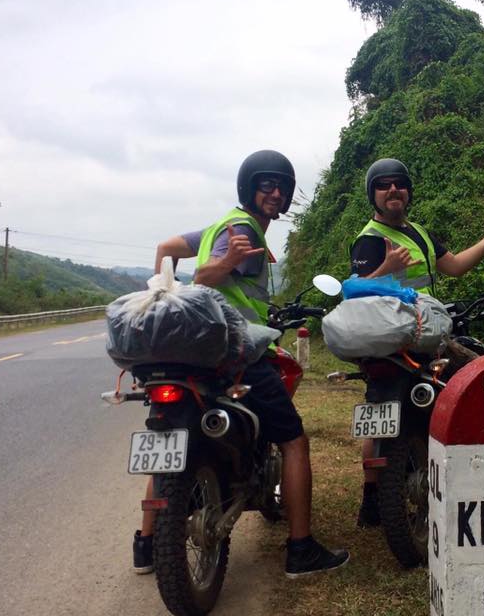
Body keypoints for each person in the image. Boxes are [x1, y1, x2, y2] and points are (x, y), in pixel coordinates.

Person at [133, 150, 349, 578]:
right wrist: (225, 264)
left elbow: (165, 249)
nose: (275, 193)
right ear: (248, 186)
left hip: (198, 352)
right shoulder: (243, 231)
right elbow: (208, 276)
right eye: (266, 184)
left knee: (170, 440)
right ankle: (301, 549)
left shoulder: (220, 224)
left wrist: (162, 293)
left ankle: (145, 545)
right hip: (238, 354)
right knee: (294, 440)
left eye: (281, 187)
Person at [349, 158, 484, 527]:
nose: (393, 190)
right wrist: (385, 269)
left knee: (397, 406)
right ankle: (371, 495)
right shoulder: (370, 239)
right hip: (387, 338)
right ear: (373, 194)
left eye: (399, 184)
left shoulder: (419, 232)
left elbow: (453, 267)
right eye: (384, 185)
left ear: (408, 191)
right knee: (379, 413)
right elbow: (355, 290)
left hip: (426, 332)